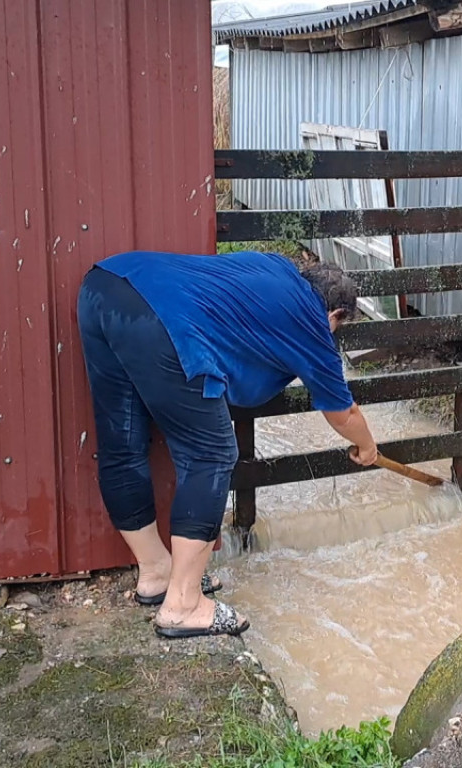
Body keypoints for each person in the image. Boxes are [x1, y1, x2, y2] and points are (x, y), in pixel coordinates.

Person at [76, 250, 379, 639]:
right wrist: (367, 447)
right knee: (212, 454)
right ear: (335, 316)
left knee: (123, 441)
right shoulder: (312, 322)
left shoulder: (276, 267)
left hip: (106, 284)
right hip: (164, 320)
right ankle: (183, 606)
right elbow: (344, 413)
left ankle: (156, 573)